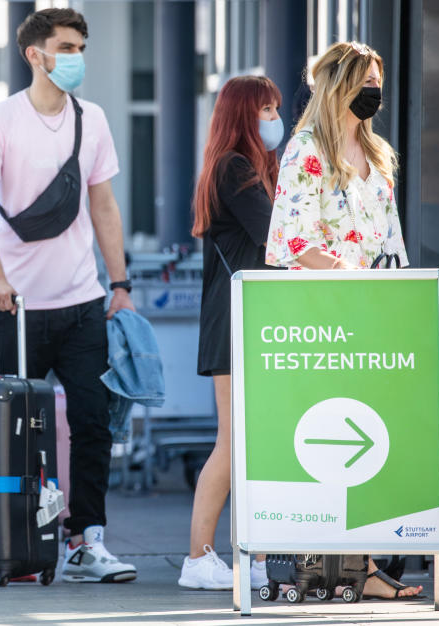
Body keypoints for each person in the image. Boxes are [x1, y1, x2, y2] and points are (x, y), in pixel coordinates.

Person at [0, 8, 136, 583]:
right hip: (17, 309)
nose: (76, 57)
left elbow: (104, 206)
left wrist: (120, 284)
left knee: (93, 424)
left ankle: (87, 539)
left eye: (81, 45)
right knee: (19, 435)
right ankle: (21, 543)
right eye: (66, 46)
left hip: (82, 302)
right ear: (34, 54)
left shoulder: (93, 118)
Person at [264, 41, 419, 600]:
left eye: (378, 81)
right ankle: (335, 565)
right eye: (365, 81)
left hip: (373, 316)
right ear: (337, 86)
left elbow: (392, 243)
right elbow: (293, 241)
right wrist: (351, 280)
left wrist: (397, 297)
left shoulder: (379, 155)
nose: (374, 92)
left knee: (370, 434)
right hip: (321, 318)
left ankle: (364, 565)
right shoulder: (306, 149)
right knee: (332, 436)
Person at [180, 75, 283, 591]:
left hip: (258, 319)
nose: (273, 118)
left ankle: (257, 557)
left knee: (256, 441)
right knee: (236, 440)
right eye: (265, 109)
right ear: (244, 114)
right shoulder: (232, 167)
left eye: (275, 109)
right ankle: (199, 558)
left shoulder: (253, 167)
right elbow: (277, 237)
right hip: (237, 319)